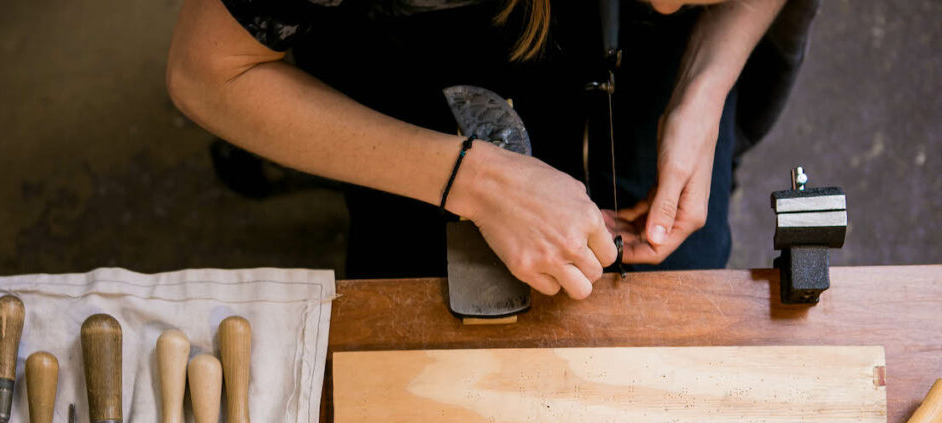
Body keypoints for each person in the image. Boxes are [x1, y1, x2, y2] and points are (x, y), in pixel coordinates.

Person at [167, 0, 817, 298]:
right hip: (429, 36)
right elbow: (206, 72)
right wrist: (473, 181)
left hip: (644, 61)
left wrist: (704, 88)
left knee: (683, 289)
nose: (678, 5)